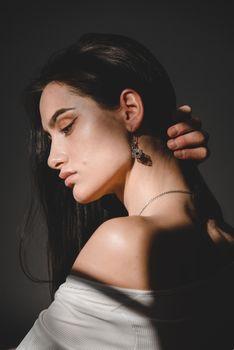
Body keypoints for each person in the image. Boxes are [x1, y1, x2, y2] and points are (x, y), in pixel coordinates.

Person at [17, 33, 234, 349]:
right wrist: (181, 168)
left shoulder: (123, 241)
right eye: (51, 139)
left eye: (66, 127)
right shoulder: (220, 237)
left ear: (130, 109)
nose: (52, 159)